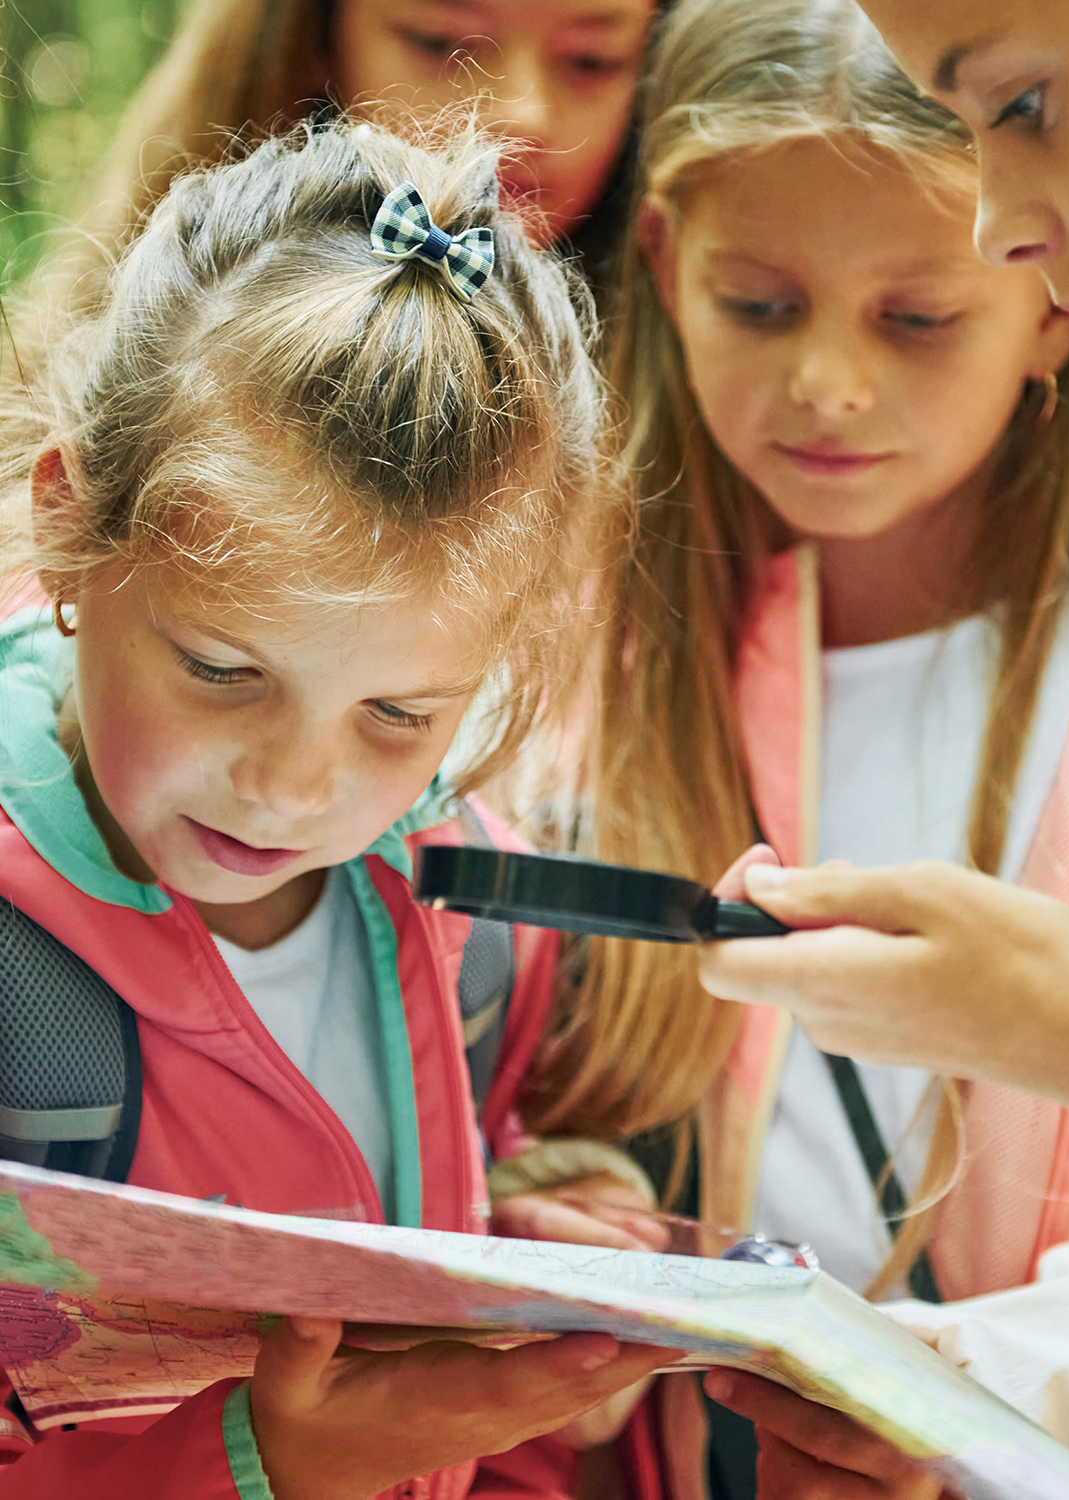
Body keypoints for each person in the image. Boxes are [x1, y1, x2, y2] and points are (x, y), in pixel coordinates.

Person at [522, 0, 1069, 1488]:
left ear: (1052, 293)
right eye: (759, 303)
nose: (827, 382)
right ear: (671, 263)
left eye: (915, 317)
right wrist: (564, 1216)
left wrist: (963, 1401)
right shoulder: (549, 653)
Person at [0, 119, 664, 1498]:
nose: (299, 787)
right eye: (224, 671)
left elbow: (462, 1160)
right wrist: (261, 1465)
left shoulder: (473, 913)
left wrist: (542, 1247)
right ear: (71, 523)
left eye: (399, 717)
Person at [14, 0, 657, 363]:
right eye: (441, 44)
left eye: (591, 60)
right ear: (313, 36)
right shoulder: (173, 345)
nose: (524, 112)